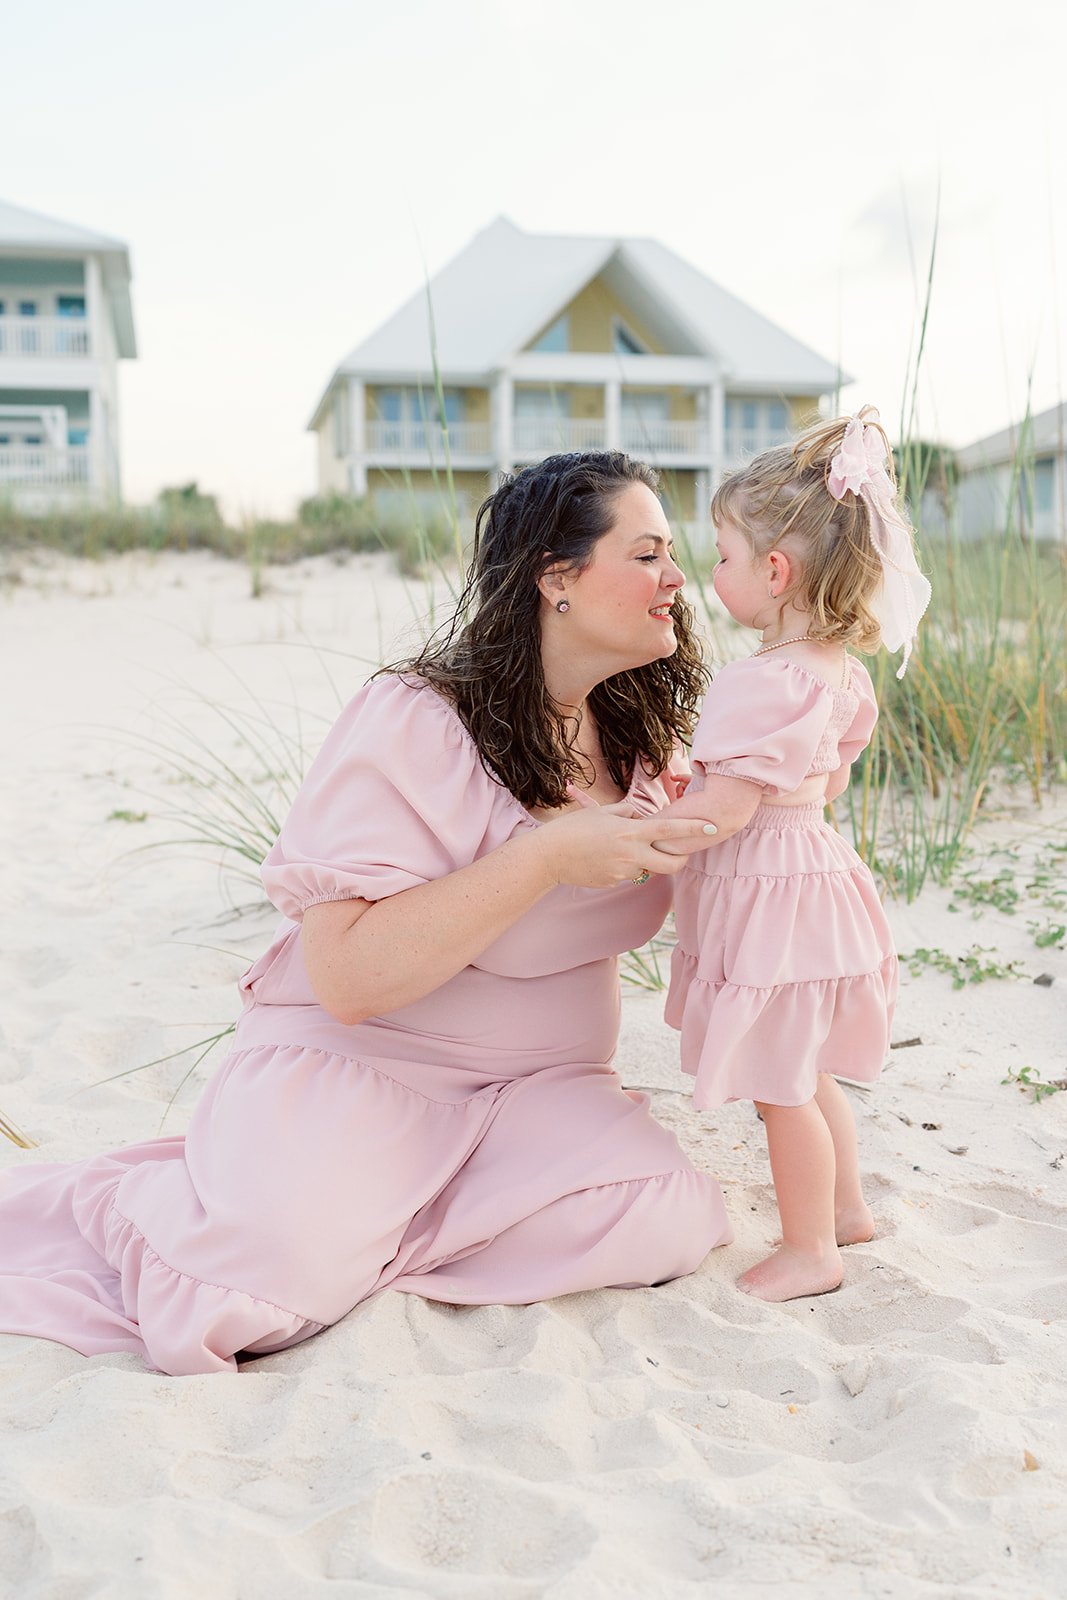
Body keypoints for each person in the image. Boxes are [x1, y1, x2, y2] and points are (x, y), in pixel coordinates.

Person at [0, 451, 733, 1376]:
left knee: (665, 1213)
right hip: (366, 1066)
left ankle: (373, 1234)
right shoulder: (418, 718)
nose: (679, 579)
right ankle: (164, 1207)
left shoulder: (634, 735)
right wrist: (543, 855)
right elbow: (346, 979)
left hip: (538, 1092)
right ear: (557, 579)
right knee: (245, 1300)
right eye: (648, 554)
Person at [654, 408, 931, 1303]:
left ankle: (811, 1247)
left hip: (769, 898)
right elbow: (826, 782)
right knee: (805, 1068)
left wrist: (659, 818)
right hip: (815, 878)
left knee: (780, 1088)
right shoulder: (837, 671)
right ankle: (846, 1208)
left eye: (724, 557)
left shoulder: (756, 682)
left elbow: (725, 812)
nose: (711, 573)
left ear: (775, 572)